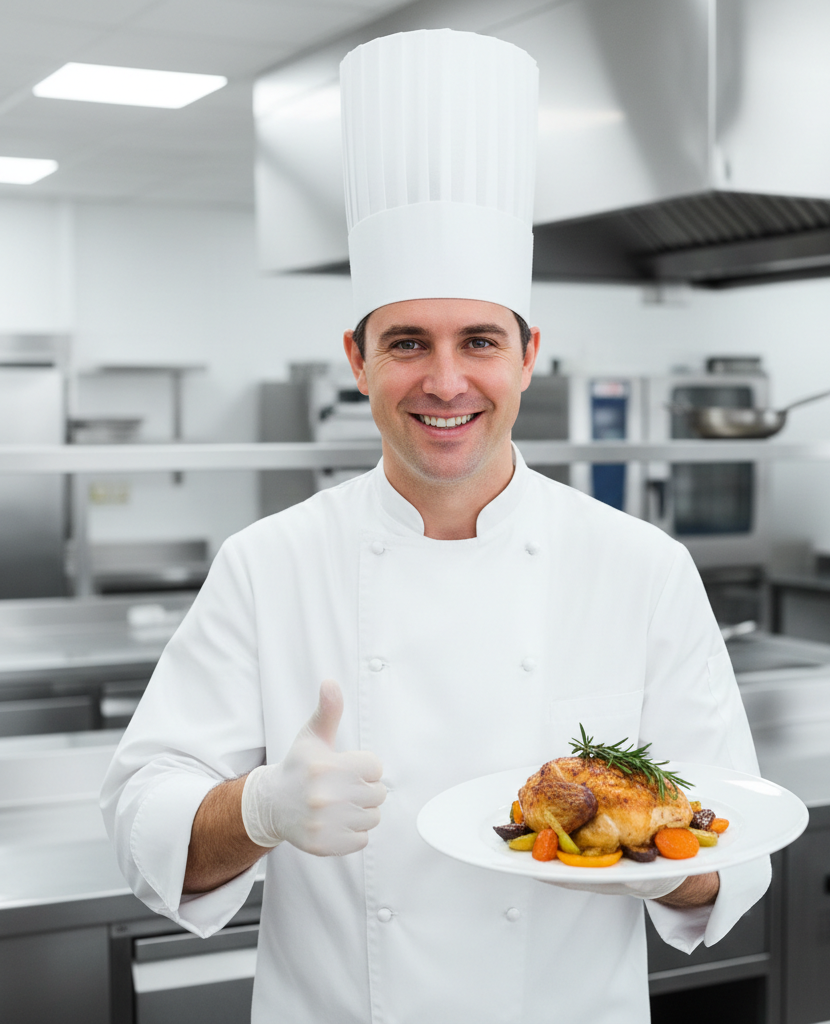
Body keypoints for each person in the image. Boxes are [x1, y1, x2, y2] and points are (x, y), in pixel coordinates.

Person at [101, 29, 770, 1024]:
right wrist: (258, 808)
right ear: (357, 357)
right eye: (408, 342)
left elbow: (730, 866)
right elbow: (137, 815)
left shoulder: (640, 567)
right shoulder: (268, 564)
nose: (446, 381)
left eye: (480, 342)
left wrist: (639, 849)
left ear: (529, 352)